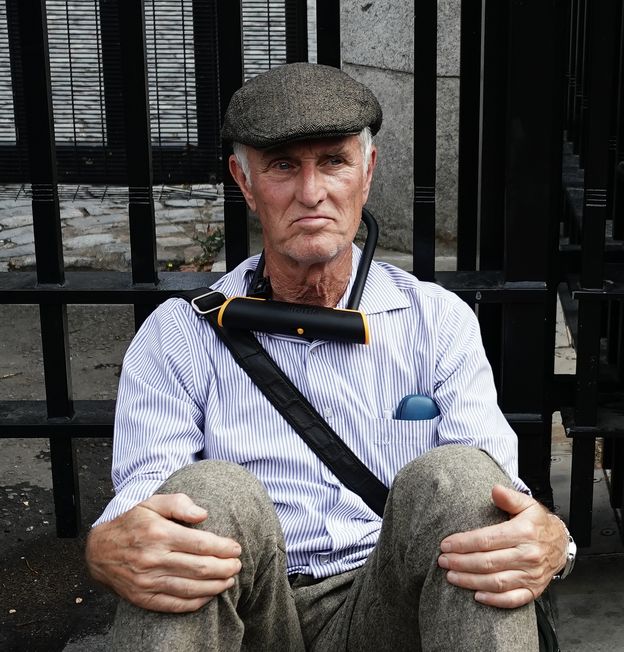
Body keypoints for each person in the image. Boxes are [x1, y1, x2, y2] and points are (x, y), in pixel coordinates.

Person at [85, 63, 572, 650]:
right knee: (199, 504)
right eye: (283, 166)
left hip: (387, 603)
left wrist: (553, 541)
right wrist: (108, 542)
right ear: (244, 181)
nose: (311, 193)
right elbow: (146, 505)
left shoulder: (436, 320)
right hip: (250, 608)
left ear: (366, 173)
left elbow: (497, 500)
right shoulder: (179, 334)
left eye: (334, 162)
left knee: (465, 480)